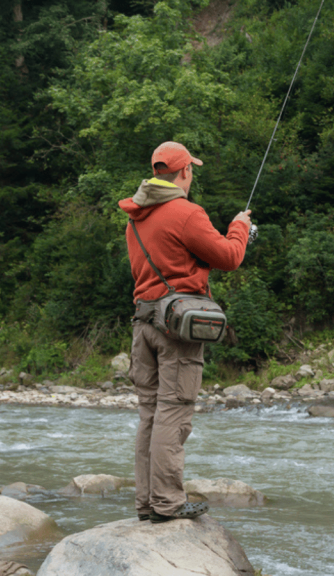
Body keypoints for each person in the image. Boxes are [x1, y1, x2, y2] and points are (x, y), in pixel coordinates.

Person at [118, 141, 252, 523]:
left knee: (150, 413)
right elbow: (229, 257)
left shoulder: (137, 216)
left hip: (142, 326)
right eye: (191, 168)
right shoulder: (186, 213)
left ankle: (148, 504)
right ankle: (168, 504)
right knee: (174, 413)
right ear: (184, 173)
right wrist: (240, 228)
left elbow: (170, 262)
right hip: (175, 331)